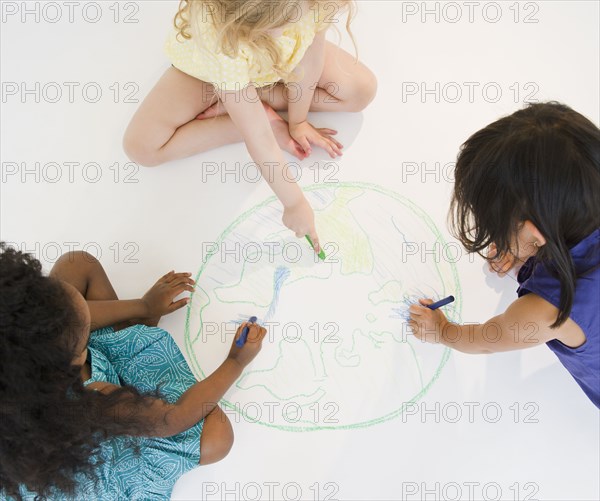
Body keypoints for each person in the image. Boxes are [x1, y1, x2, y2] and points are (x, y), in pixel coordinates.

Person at [0, 247, 267, 499]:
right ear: (74, 360)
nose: (84, 308)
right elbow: (170, 420)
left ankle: (132, 326)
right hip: (95, 459)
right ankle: (134, 334)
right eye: (81, 324)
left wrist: (144, 305)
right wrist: (236, 361)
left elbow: (71, 317)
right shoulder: (95, 399)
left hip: (28, 448)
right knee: (218, 438)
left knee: (78, 264)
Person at [123, 0, 377, 253]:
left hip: (273, 60)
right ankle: (244, 110)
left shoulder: (311, 4)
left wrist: (298, 122)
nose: (285, 30)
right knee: (142, 148)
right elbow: (259, 138)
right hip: (212, 70)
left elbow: (310, 63)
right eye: (282, 23)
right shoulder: (221, 39)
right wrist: (294, 203)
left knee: (361, 91)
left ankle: (254, 101)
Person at [409, 102, 600, 408]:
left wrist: (443, 330)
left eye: (496, 225)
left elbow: (488, 339)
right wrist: (522, 247)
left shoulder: (546, 312)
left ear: (535, 234)